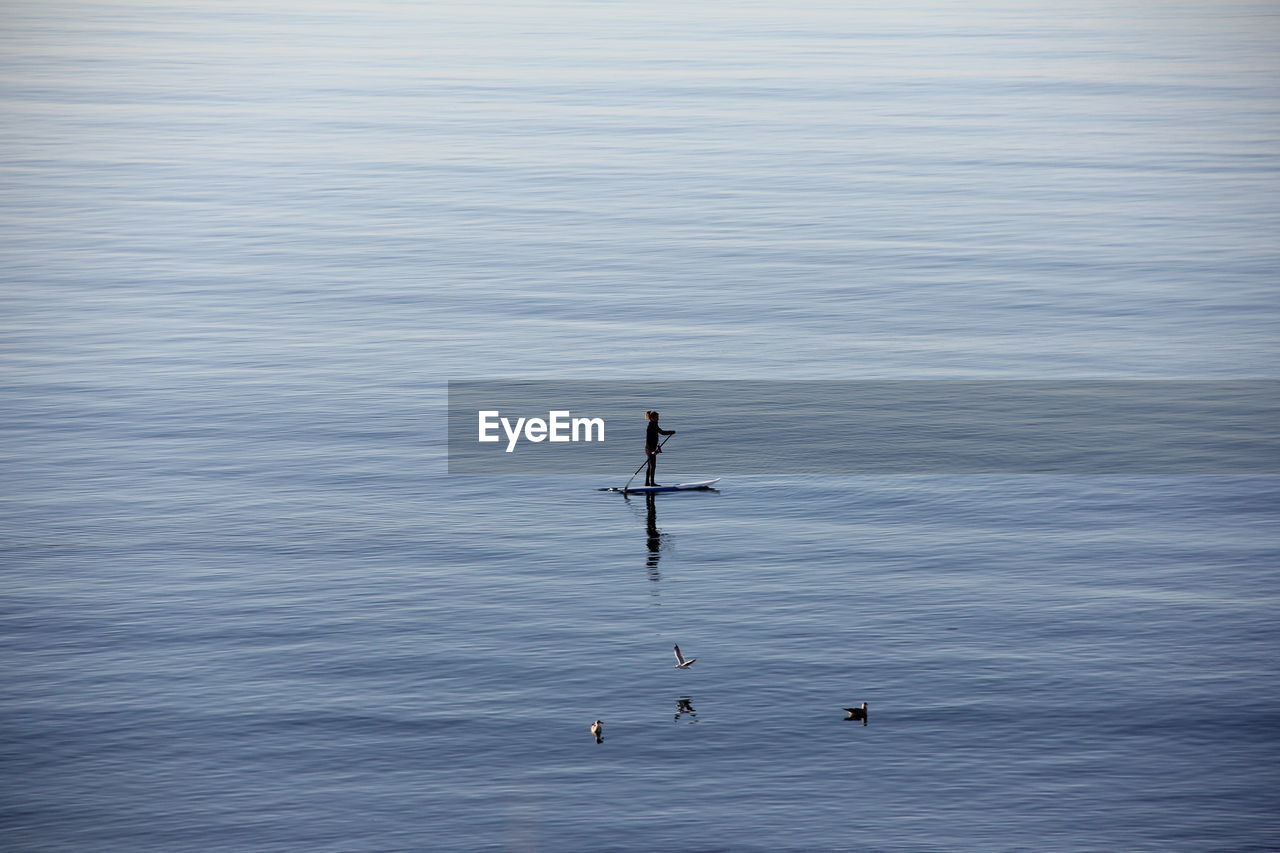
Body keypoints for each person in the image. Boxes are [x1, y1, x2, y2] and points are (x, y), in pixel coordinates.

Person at [643, 410, 675, 487]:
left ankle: (647, 483)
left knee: (650, 466)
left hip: (650, 448)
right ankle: (652, 483)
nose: (658, 419)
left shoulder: (654, 425)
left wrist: (671, 432)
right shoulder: (651, 426)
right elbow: (649, 440)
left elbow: (661, 432)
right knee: (652, 466)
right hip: (650, 448)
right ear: (652, 418)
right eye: (657, 417)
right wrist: (652, 451)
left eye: (658, 417)